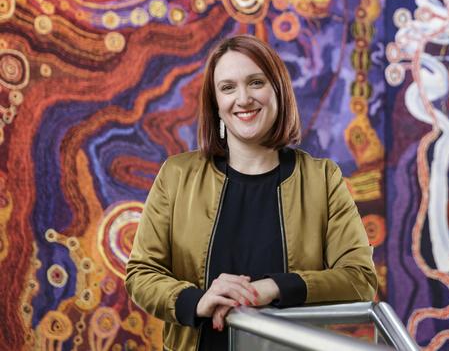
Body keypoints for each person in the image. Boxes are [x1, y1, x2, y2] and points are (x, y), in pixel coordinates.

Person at [125, 34, 378, 351]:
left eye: (255, 82)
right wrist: (198, 300)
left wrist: (273, 287)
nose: (243, 98)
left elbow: (359, 279)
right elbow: (142, 273)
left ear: (278, 91)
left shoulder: (323, 179)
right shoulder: (177, 176)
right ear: (216, 103)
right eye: (228, 87)